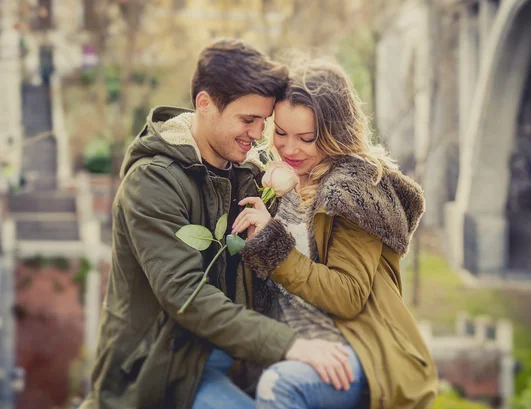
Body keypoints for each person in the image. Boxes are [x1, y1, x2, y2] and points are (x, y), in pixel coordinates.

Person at [80, 40, 351, 409]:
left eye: (263, 121)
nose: (258, 134)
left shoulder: (247, 172)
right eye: (247, 120)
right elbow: (187, 297)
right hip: (165, 368)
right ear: (205, 104)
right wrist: (292, 346)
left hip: (232, 353)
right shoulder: (152, 183)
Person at [232, 59, 439, 409]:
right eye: (280, 132)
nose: (290, 148)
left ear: (335, 133)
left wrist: (272, 246)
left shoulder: (352, 192)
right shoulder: (272, 179)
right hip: (288, 344)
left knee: (279, 386)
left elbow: (347, 295)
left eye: (306, 138)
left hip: (352, 351)